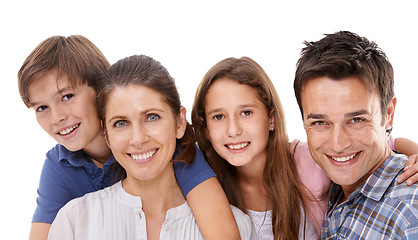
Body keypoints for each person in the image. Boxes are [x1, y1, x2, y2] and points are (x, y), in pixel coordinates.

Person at [18, 35, 240, 240]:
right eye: (41, 108)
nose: (57, 117)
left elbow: (221, 230)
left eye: (67, 96)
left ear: (100, 94)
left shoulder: (171, 150)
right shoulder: (59, 166)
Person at [191, 56, 418, 239]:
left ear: (271, 118)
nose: (233, 130)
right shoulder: (206, 180)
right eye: (218, 116)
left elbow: (384, 143)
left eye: (246, 112)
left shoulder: (307, 162)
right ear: (205, 127)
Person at [293, 31, 418, 239]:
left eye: (356, 120)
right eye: (320, 122)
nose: (338, 144)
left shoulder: (410, 211)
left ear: (388, 114)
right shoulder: (334, 190)